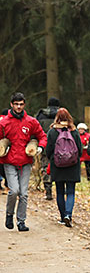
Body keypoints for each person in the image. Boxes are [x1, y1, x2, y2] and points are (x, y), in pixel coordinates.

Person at [0, 93, 47, 231]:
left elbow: (42, 135)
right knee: (14, 191)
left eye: (21, 104)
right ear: (11, 104)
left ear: (24, 104)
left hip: (26, 161)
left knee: (24, 193)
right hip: (9, 161)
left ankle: (21, 221)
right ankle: (9, 214)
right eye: (16, 104)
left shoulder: (31, 121)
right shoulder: (3, 123)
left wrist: (40, 147)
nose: (19, 107)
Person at [46, 107, 82, 228]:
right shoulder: (74, 131)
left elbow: (49, 150)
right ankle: (68, 215)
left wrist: (53, 158)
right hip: (72, 165)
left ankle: (62, 218)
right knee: (71, 191)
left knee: (60, 191)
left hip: (58, 165)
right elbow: (80, 150)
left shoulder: (52, 132)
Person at [35, 95, 61, 199]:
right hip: (60, 146)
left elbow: (36, 129)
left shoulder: (41, 115)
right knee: (59, 166)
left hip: (45, 144)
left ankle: (48, 189)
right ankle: (59, 189)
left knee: (45, 166)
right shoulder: (61, 115)